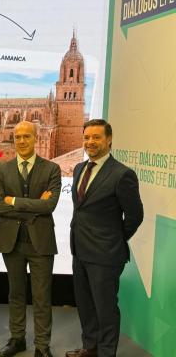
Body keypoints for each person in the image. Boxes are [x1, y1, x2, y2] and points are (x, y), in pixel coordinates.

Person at [65, 119, 143, 357]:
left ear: (109, 139)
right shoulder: (79, 169)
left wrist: (114, 239)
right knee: (86, 305)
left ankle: (107, 353)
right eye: (87, 137)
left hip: (106, 255)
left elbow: (135, 216)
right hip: (79, 250)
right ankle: (90, 348)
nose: (90, 142)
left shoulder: (122, 174)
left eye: (96, 137)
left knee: (106, 309)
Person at [0, 121, 61, 357]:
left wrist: (14, 201)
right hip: (11, 241)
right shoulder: (2, 169)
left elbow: (49, 205)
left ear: (35, 138)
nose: (21, 141)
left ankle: (42, 346)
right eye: (18, 137)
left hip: (40, 242)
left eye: (26, 137)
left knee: (42, 297)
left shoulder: (52, 169)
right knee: (16, 293)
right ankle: (17, 339)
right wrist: (34, 205)